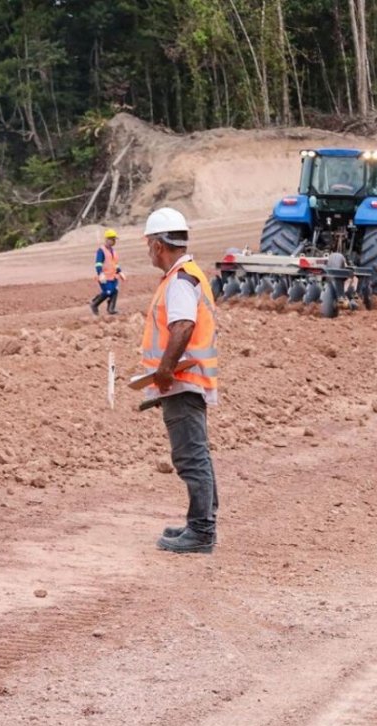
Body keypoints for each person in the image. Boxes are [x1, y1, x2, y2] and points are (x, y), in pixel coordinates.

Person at [140, 207, 219, 554]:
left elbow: (183, 326)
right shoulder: (187, 275)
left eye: (148, 245)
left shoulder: (180, 281)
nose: (148, 251)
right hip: (187, 379)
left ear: (158, 245)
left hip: (183, 381)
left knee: (190, 456)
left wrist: (165, 369)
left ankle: (201, 531)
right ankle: (199, 523)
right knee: (195, 453)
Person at [90, 228, 125, 315]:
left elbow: (115, 263)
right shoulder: (101, 250)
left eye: (114, 239)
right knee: (108, 291)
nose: (114, 241)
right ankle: (94, 304)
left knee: (115, 291)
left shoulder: (113, 251)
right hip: (105, 277)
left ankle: (111, 309)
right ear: (107, 239)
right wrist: (100, 274)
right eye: (112, 239)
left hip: (113, 276)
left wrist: (120, 272)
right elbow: (98, 263)